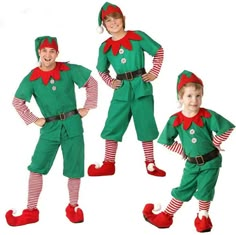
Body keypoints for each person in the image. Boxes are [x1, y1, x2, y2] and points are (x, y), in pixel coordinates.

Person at [5, 36, 98, 226]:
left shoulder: (68, 70)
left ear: (57, 53)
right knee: (36, 166)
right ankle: (31, 211)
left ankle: (73, 206)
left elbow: (92, 83)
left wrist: (87, 106)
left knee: (75, 168)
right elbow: (17, 102)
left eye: (52, 51)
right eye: (44, 51)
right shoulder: (32, 78)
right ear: (39, 52)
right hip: (50, 128)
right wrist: (33, 119)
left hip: (73, 125)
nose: (48, 55)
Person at [142, 70, 235, 232]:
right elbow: (166, 141)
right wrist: (182, 151)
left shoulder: (207, 115)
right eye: (189, 96)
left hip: (211, 162)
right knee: (184, 189)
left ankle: (202, 217)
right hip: (192, 164)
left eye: (198, 96)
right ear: (181, 98)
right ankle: (165, 217)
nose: (194, 100)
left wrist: (216, 142)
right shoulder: (175, 120)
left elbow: (227, 128)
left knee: (206, 189)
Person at [87, 2, 166, 177]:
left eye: (116, 17)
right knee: (112, 125)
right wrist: (110, 82)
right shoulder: (105, 47)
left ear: (123, 19)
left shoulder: (137, 37)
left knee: (145, 125)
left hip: (141, 87)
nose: (113, 22)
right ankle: (109, 163)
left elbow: (158, 51)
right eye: (108, 20)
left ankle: (150, 163)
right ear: (104, 26)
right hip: (121, 90)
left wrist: (154, 72)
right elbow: (101, 69)